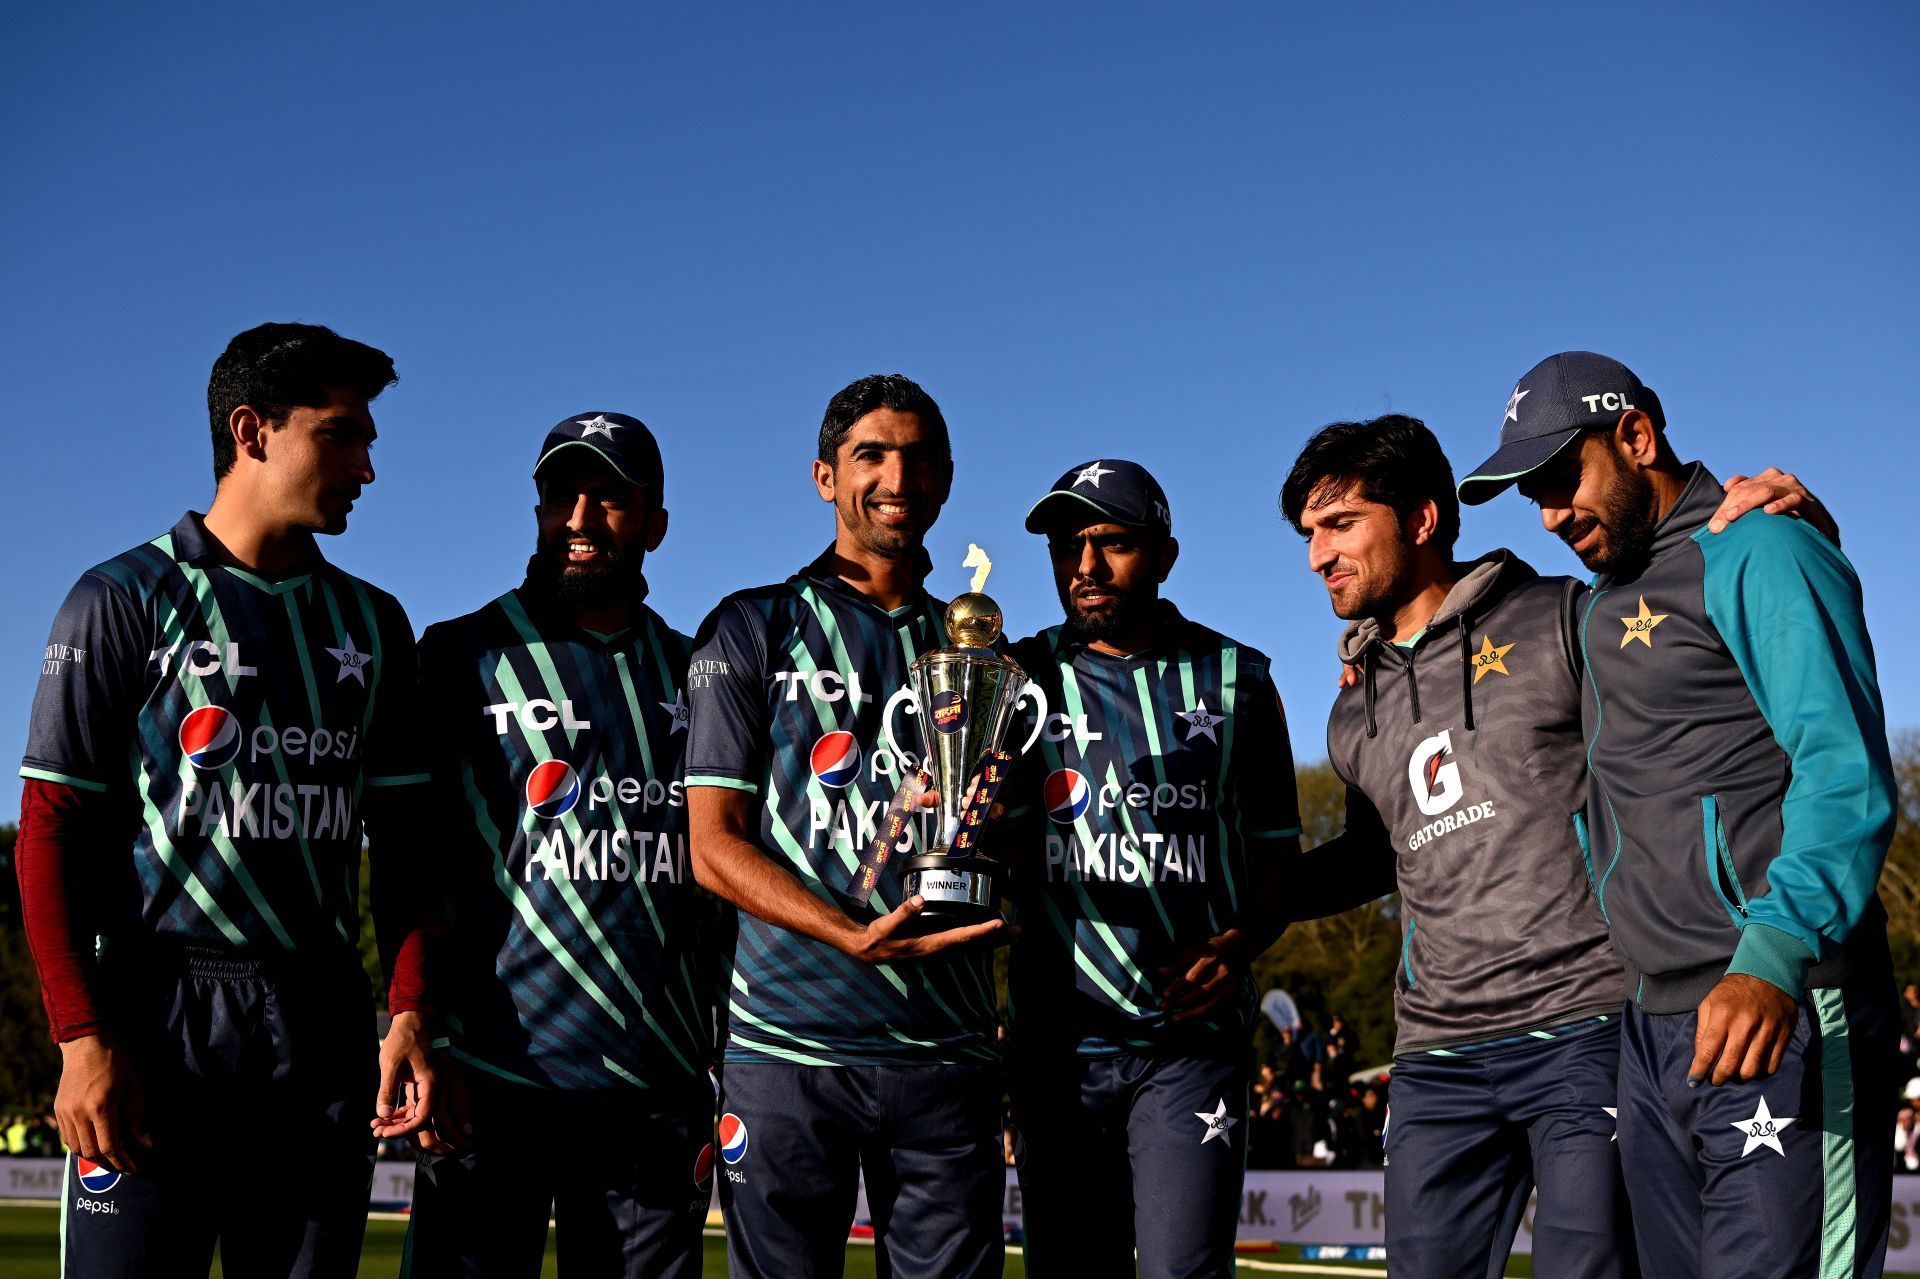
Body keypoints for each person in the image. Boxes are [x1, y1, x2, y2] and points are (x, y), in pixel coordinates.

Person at [1279, 413, 1827, 1279]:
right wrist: (1233, 903)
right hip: (1434, 1055)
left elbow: (1707, 654)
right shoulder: (1352, 710)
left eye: (1340, 525)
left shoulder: (1565, 619)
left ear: (1422, 519)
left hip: (1585, 1026)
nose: (1318, 556)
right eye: (1309, 535)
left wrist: (1796, 522)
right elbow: (1372, 854)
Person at [1462, 350, 1898, 1279]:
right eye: (1531, 493)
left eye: (1561, 477)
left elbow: (1846, 773)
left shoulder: (1763, 544)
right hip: (1652, 1034)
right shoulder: (1593, 606)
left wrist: (1774, 955)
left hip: (1781, 1007)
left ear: (1636, 435)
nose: (1550, 514)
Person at [16, 322, 427, 1278]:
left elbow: (405, 846)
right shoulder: (121, 598)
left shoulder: (375, 622)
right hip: (160, 1014)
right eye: (342, 434)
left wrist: (407, 1010)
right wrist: (82, 1037)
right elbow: (50, 835)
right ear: (252, 430)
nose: (366, 466)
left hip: (319, 1022)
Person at [683, 374, 1007, 1279]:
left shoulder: (986, 650)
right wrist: (847, 931)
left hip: (945, 1053)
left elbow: (1018, 838)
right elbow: (713, 844)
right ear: (825, 477)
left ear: (945, 480)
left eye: (916, 458)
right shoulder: (751, 626)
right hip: (786, 1048)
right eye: (870, 454)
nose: (895, 476)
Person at [374, 412, 713, 1276]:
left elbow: (719, 888)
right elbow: (415, 861)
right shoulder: (459, 655)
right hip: (491, 1082)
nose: (579, 516)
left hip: (654, 1090)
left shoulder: (698, 672)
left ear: (655, 524)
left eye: (609, 498)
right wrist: (421, 1021)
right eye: (562, 494)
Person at [1002, 459, 1304, 1278]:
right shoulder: (1014, 677)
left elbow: (1281, 860)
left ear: (1165, 555)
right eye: (1069, 545)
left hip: (1190, 1045)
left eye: (1114, 542)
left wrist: (1238, 944)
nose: (1087, 565)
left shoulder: (1239, 679)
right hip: (1056, 1047)